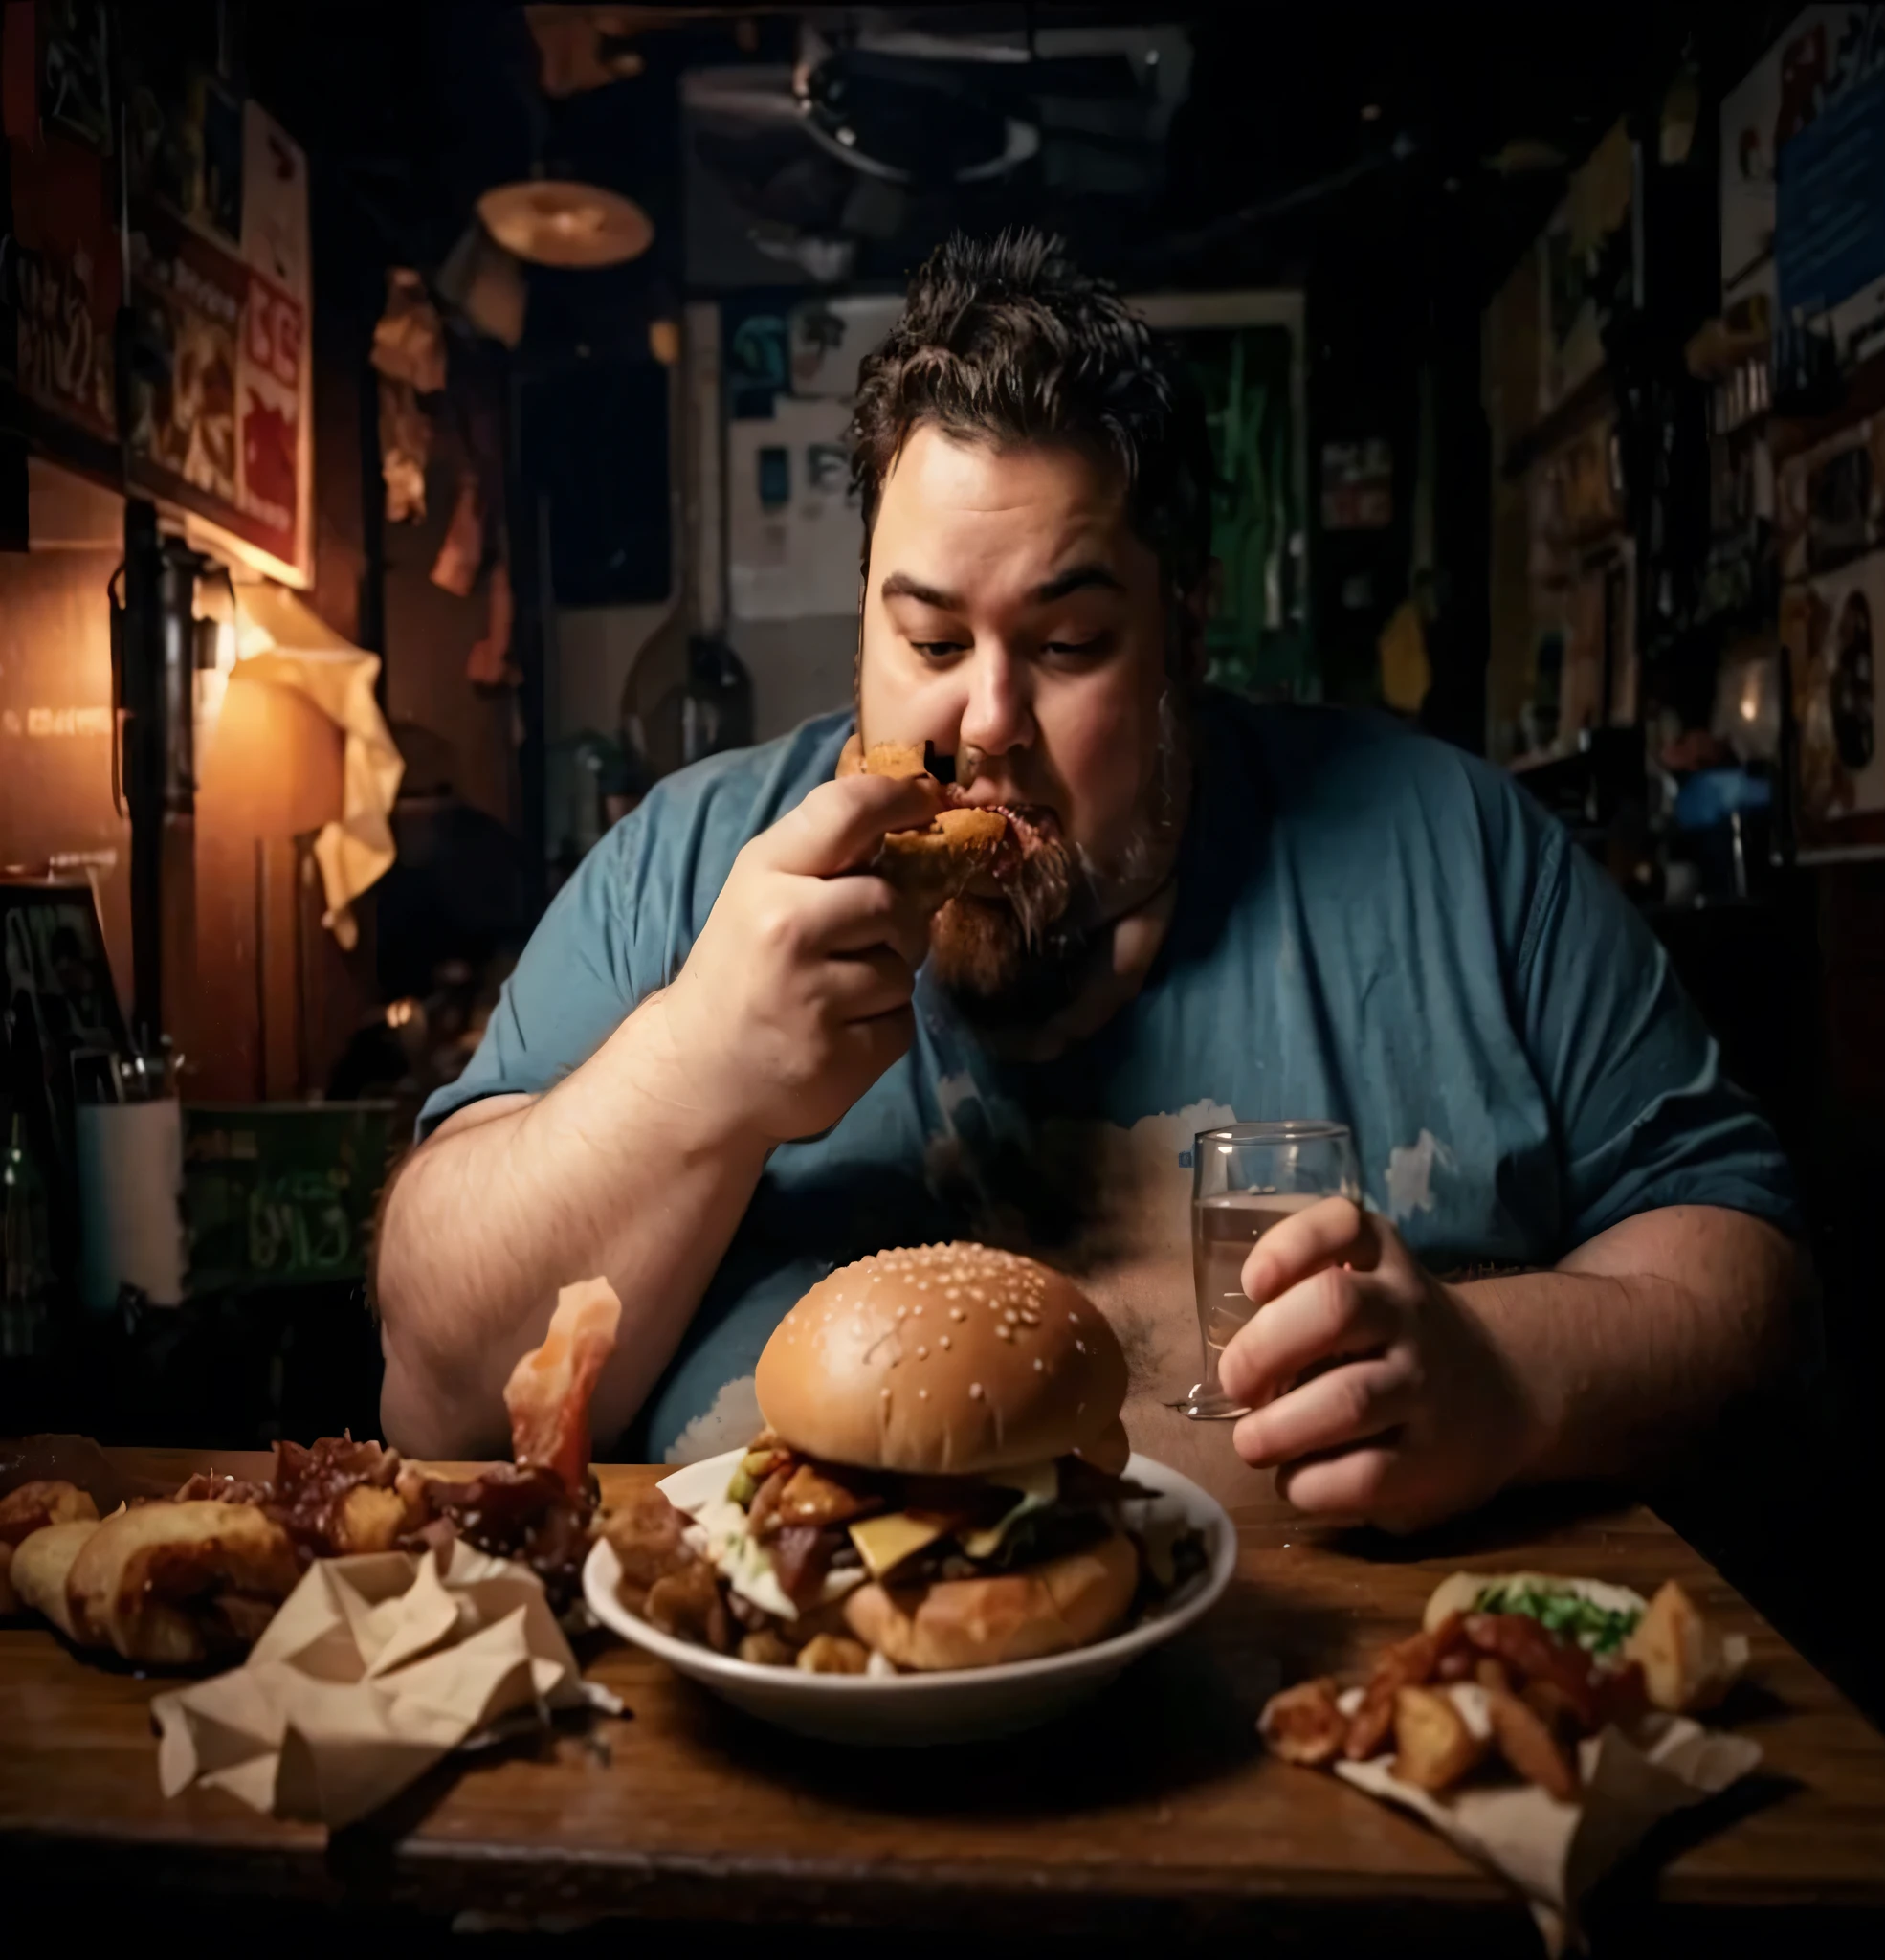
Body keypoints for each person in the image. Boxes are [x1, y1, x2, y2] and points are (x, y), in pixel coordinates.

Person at [374, 232, 1803, 1528]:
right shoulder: (682, 868)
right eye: (929, 642)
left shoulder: (1461, 852)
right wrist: (694, 1069)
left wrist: (1508, 1379)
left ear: (1185, 628)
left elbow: (1753, 1292)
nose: (985, 720)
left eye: (1064, 646)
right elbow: (431, 1394)